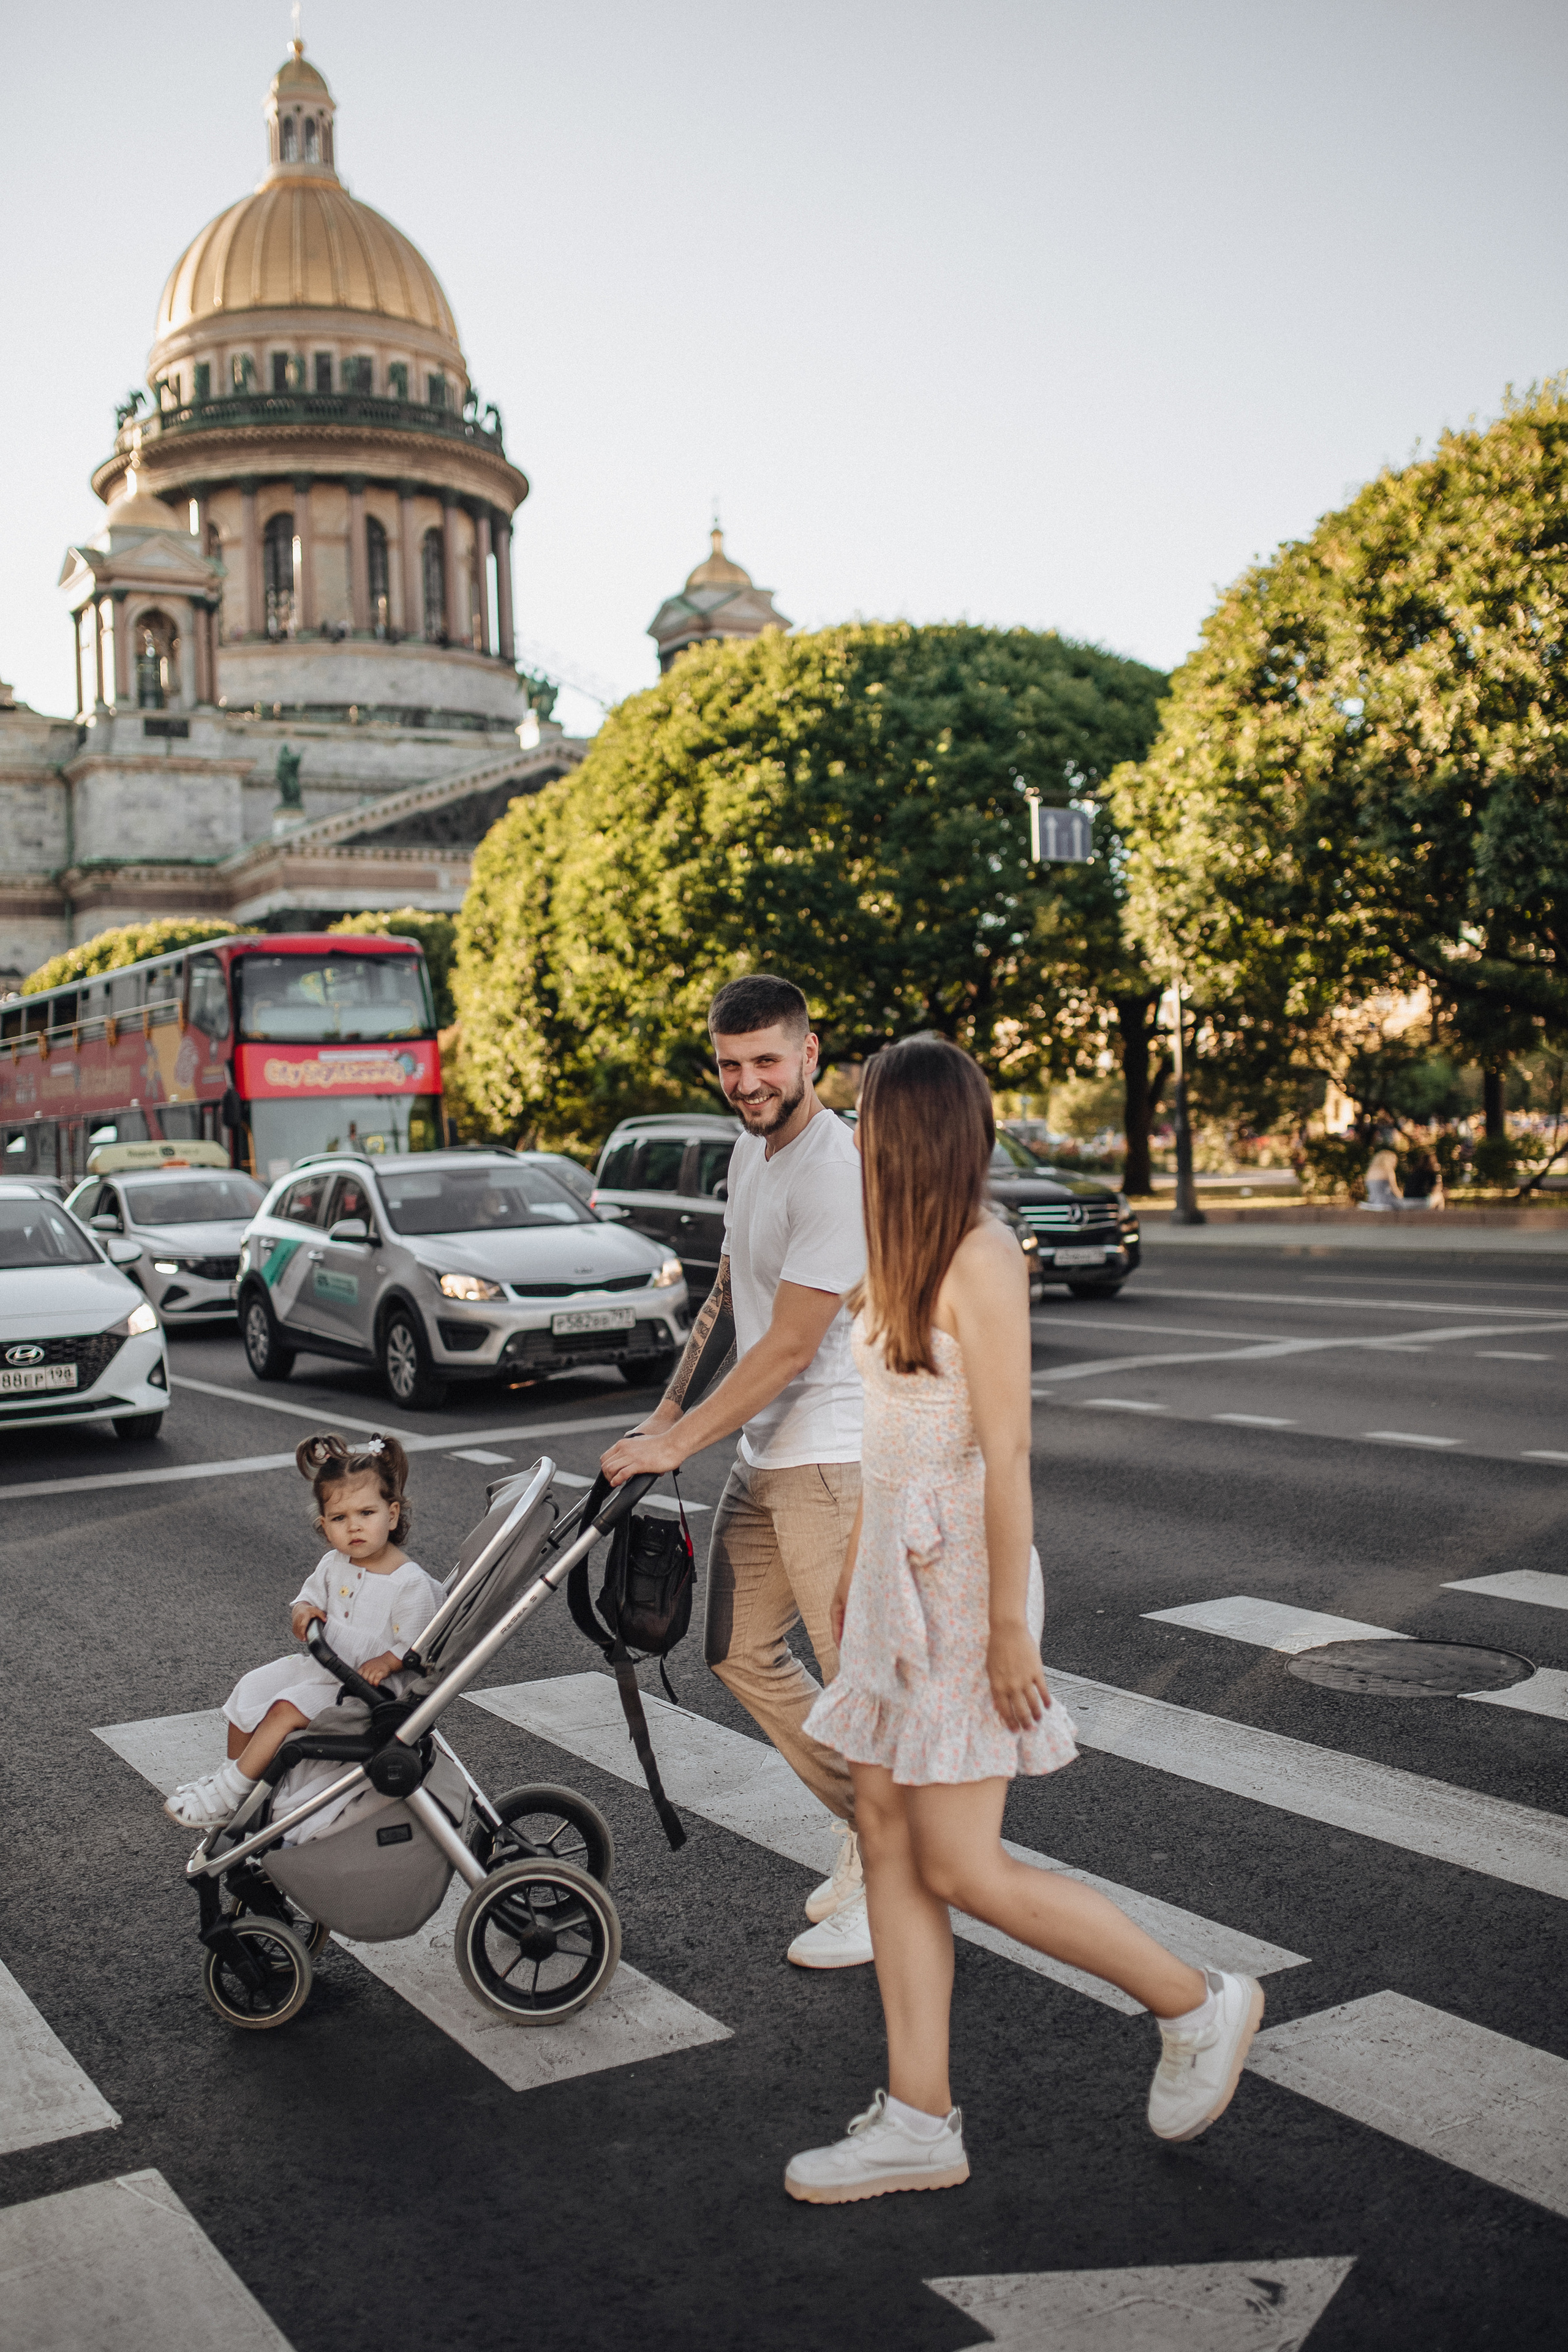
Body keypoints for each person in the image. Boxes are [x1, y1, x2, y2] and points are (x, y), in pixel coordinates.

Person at [783, 1038, 1264, 2206]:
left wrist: (1009, 1628)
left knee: (961, 1863)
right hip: (893, 1582)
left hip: (961, 1587)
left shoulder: (983, 1255)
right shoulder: (896, 1249)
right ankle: (919, 2119)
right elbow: (884, 1434)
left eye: (867, 1116)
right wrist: (855, 1571)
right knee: (887, 1839)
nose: (853, 1132)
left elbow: (1008, 1454)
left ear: (909, 1130)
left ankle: (1196, 2004)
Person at [600, 973, 870, 1967]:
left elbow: (792, 1344)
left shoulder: (834, 1172)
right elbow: (727, 1294)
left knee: (860, 1691)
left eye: (766, 1060)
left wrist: (679, 1448)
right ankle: (874, 1830)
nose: (748, 1081)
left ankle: (897, 1884)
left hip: (834, 1458)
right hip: (767, 1450)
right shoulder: (749, 1153)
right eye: (730, 1064)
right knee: (735, 1648)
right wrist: (670, 1409)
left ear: (809, 1054)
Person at [164, 1434, 445, 1829]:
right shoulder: (333, 1564)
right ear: (324, 1526)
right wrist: (304, 1612)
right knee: (251, 1688)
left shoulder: (409, 1582)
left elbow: (420, 1642)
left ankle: (230, 1793)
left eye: (367, 1513)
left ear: (393, 1514)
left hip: (368, 1690)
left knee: (285, 1710)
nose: (354, 1526)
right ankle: (237, 1780)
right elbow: (307, 1599)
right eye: (339, 1518)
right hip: (326, 1668)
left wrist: (389, 1659)